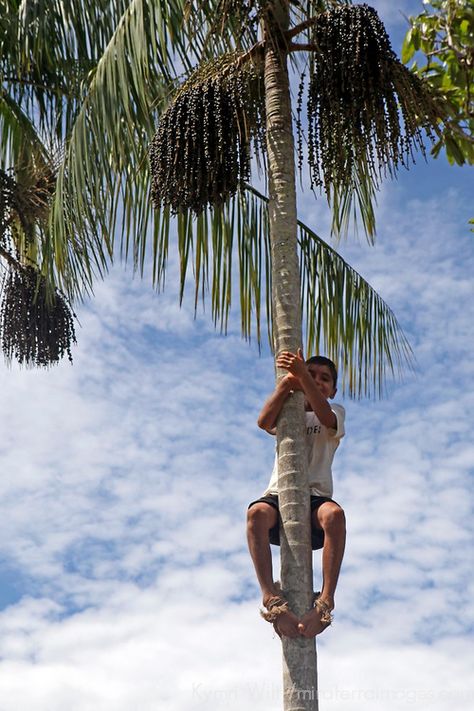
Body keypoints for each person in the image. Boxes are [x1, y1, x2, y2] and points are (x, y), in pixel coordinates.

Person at [247, 349, 346, 638]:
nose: (316, 381)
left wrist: (303, 376)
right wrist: (286, 384)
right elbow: (264, 422)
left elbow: (325, 415)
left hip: (315, 499)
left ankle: (326, 600)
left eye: (324, 379)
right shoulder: (288, 411)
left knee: (335, 515)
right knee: (256, 514)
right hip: (280, 497)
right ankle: (270, 596)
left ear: (333, 390)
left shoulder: (334, 413)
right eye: (311, 374)